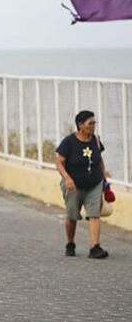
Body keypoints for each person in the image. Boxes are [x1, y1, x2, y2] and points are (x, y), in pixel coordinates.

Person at [55, 110, 109, 258]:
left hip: (94, 183)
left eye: (94, 123)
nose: (93, 126)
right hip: (74, 185)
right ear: (80, 125)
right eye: (90, 123)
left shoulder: (96, 140)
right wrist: (67, 178)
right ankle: (70, 243)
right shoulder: (69, 142)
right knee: (72, 216)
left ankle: (94, 247)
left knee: (94, 215)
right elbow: (59, 163)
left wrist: (105, 180)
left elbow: (100, 161)